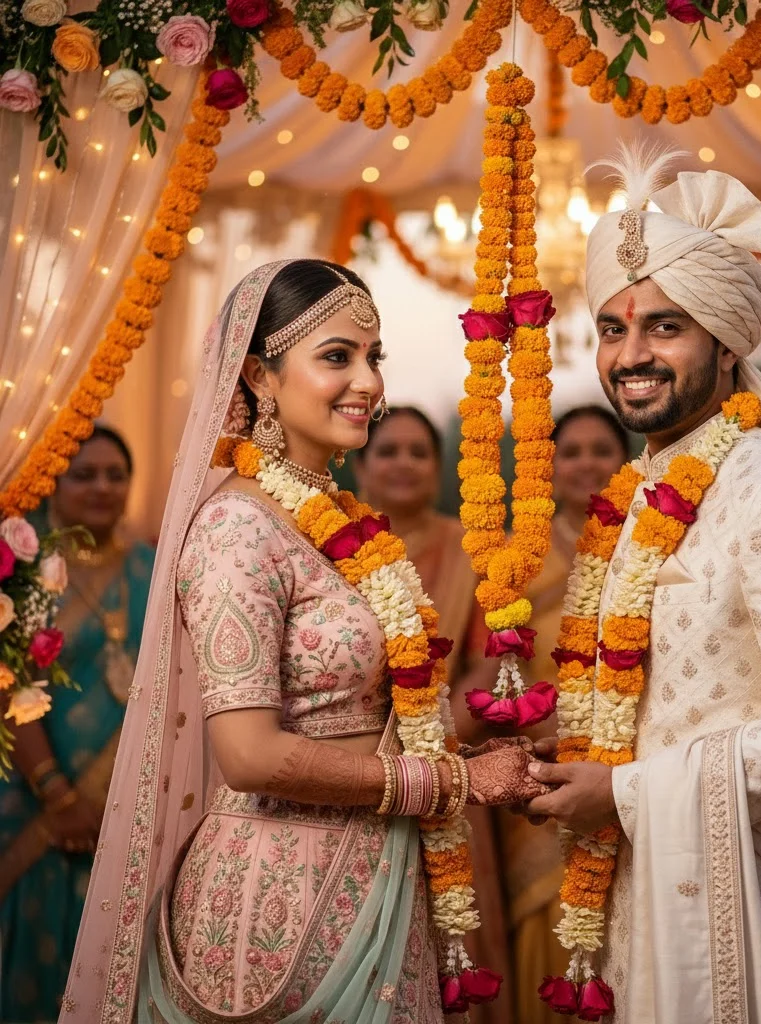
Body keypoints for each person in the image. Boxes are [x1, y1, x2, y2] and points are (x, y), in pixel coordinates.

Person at [58, 259, 548, 1024]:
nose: (369, 383)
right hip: (277, 903)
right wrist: (449, 784)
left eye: (374, 357)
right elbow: (249, 755)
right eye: (336, 357)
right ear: (260, 375)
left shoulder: (341, 523)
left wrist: (490, 763)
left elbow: (380, 713)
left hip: (377, 873)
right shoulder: (237, 526)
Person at [524, 153, 761, 1023]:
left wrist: (623, 793)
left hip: (758, 906)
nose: (632, 356)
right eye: (613, 330)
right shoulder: (635, 495)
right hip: (646, 889)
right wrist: (572, 745)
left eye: (665, 327)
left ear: (727, 342)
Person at [352, 406, 513, 1024]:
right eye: (388, 450)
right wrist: (371, 762)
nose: (403, 463)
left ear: (439, 467)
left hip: (450, 774)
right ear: (361, 465)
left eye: (418, 452)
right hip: (354, 775)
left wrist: (425, 755)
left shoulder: (477, 551)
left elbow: (489, 668)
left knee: (456, 935)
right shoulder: (328, 542)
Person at [0, 427, 155, 1023]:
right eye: (84, 474)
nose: (102, 487)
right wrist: (57, 794)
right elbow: (7, 685)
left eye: (116, 474)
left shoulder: (155, 568)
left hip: (132, 807)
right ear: (54, 484)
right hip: (35, 797)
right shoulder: (24, 576)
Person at [498, 404, 630, 1024]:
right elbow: (493, 670)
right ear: (546, 466)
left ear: (626, 461)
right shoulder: (515, 557)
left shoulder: (655, 543)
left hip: (633, 770)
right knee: (548, 922)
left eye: (602, 450)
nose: (586, 464)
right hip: (542, 767)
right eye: (569, 452)